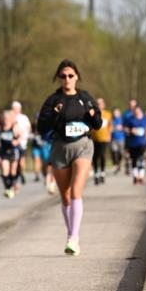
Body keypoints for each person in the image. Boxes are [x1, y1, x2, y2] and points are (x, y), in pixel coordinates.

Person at [36, 60, 103, 255]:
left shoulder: (85, 98)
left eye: (70, 75)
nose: (67, 79)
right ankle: (71, 233)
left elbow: (98, 124)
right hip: (60, 147)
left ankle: (74, 237)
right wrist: (54, 115)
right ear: (58, 78)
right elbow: (41, 128)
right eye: (63, 76)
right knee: (65, 197)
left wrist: (93, 115)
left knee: (75, 192)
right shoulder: (53, 100)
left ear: (77, 77)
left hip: (82, 146)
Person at [125, 106, 146, 185]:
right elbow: (126, 129)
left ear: (141, 111)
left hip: (142, 142)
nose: (137, 112)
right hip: (132, 143)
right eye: (135, 111)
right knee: (134, 159)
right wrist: (131, 130)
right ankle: (135, 176)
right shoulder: (131, 119)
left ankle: (141, 176)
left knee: (141, 159)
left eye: (138, 111)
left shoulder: (145, 119)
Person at [0, 109, 21, 199]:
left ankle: (12, 186)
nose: (6, 120)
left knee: (13, 171)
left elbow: (21, 136)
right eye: (5, 118)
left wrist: (16, 141)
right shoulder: (0, 127)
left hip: (13, 151)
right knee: (5, 170)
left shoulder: (14, 127)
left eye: (7, 118)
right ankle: (7, 188)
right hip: (4, 152)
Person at [90, 97, 112, 185]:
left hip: (104, 138)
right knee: (95, 156)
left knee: (102, 155)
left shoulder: (108, 114)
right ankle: (96, 173)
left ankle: (102, 172)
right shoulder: (93, 113)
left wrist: (109, 135)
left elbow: (110, 125)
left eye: (101, 103)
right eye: (98, 103)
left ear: (104, 105)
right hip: (94, 138)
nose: (99, 105)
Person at [11, 101, 32, 185]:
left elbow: (28, 128)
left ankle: (22, 173)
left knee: (21, 161)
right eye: (13, 108)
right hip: (13, 142)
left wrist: (24, 136)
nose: (15, 110)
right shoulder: (10, 116)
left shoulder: (24, 117)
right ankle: (14, 177)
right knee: (14, 160)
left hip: (22, 142)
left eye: (16, 108)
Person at [110, 105, 126, 174]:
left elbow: (126, 127)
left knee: (121, 153)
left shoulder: (122, 119)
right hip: (113, 138)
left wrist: (122, 127)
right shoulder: (111, 120)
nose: (115, 114)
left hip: (121, 138)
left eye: (116, 112)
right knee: (114, 152)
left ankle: (120, 164)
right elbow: (109, 128)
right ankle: (116, 165)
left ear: (119, 113)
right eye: (114, 113)